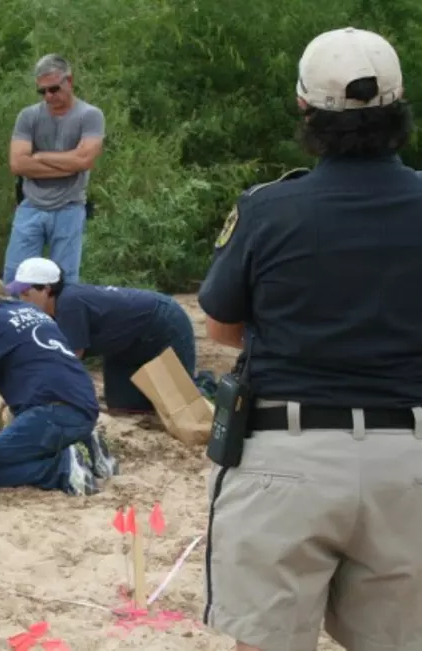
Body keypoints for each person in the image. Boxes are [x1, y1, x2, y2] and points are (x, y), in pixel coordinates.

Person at [198, 27, 422, 651]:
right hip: (410, 457)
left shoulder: (269, 208)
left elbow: (220, 325)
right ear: (399, 108)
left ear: (305, 108)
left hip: (285, 455)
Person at [0, 271, 119, 496]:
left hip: (50, 415)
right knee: (29, 445)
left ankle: (60, 469)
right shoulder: (34, 312)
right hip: (85, 407)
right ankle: (85, 446)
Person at [7, 257, 207, 414]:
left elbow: (70, 359)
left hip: (165, 324)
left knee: (182, 401)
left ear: (46, 290)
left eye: (25, 292)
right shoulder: (55, 308)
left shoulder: (69, 304)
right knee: (124, 407)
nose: (21, 299)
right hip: (126, 344)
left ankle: (206, 387)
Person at [4, 54, 106, 285]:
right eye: (42, 92)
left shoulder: (90, 115)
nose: (49, 96)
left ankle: (61, 321)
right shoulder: (28, 116)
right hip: (31, 205)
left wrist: (39, 157)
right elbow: (18, 164)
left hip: (69, 206)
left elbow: (84, 161)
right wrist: (68, 164)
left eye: (54, 89)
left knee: (65, 280)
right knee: (15, 276)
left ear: (69, 81)